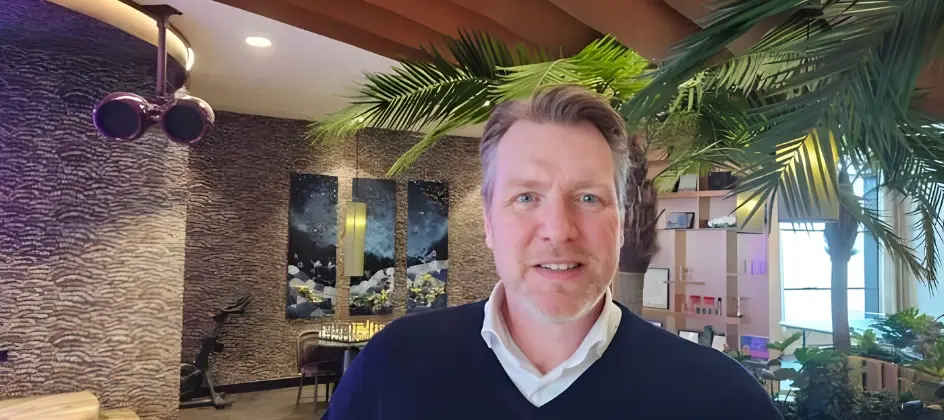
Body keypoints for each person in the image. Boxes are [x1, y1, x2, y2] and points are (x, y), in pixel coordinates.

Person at [322, 85, 783, 419]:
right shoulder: (394, 364)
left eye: (588, 198)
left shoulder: (724, 400)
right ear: (488, 222)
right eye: (526, 197)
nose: (559, 230)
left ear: (621, 222)